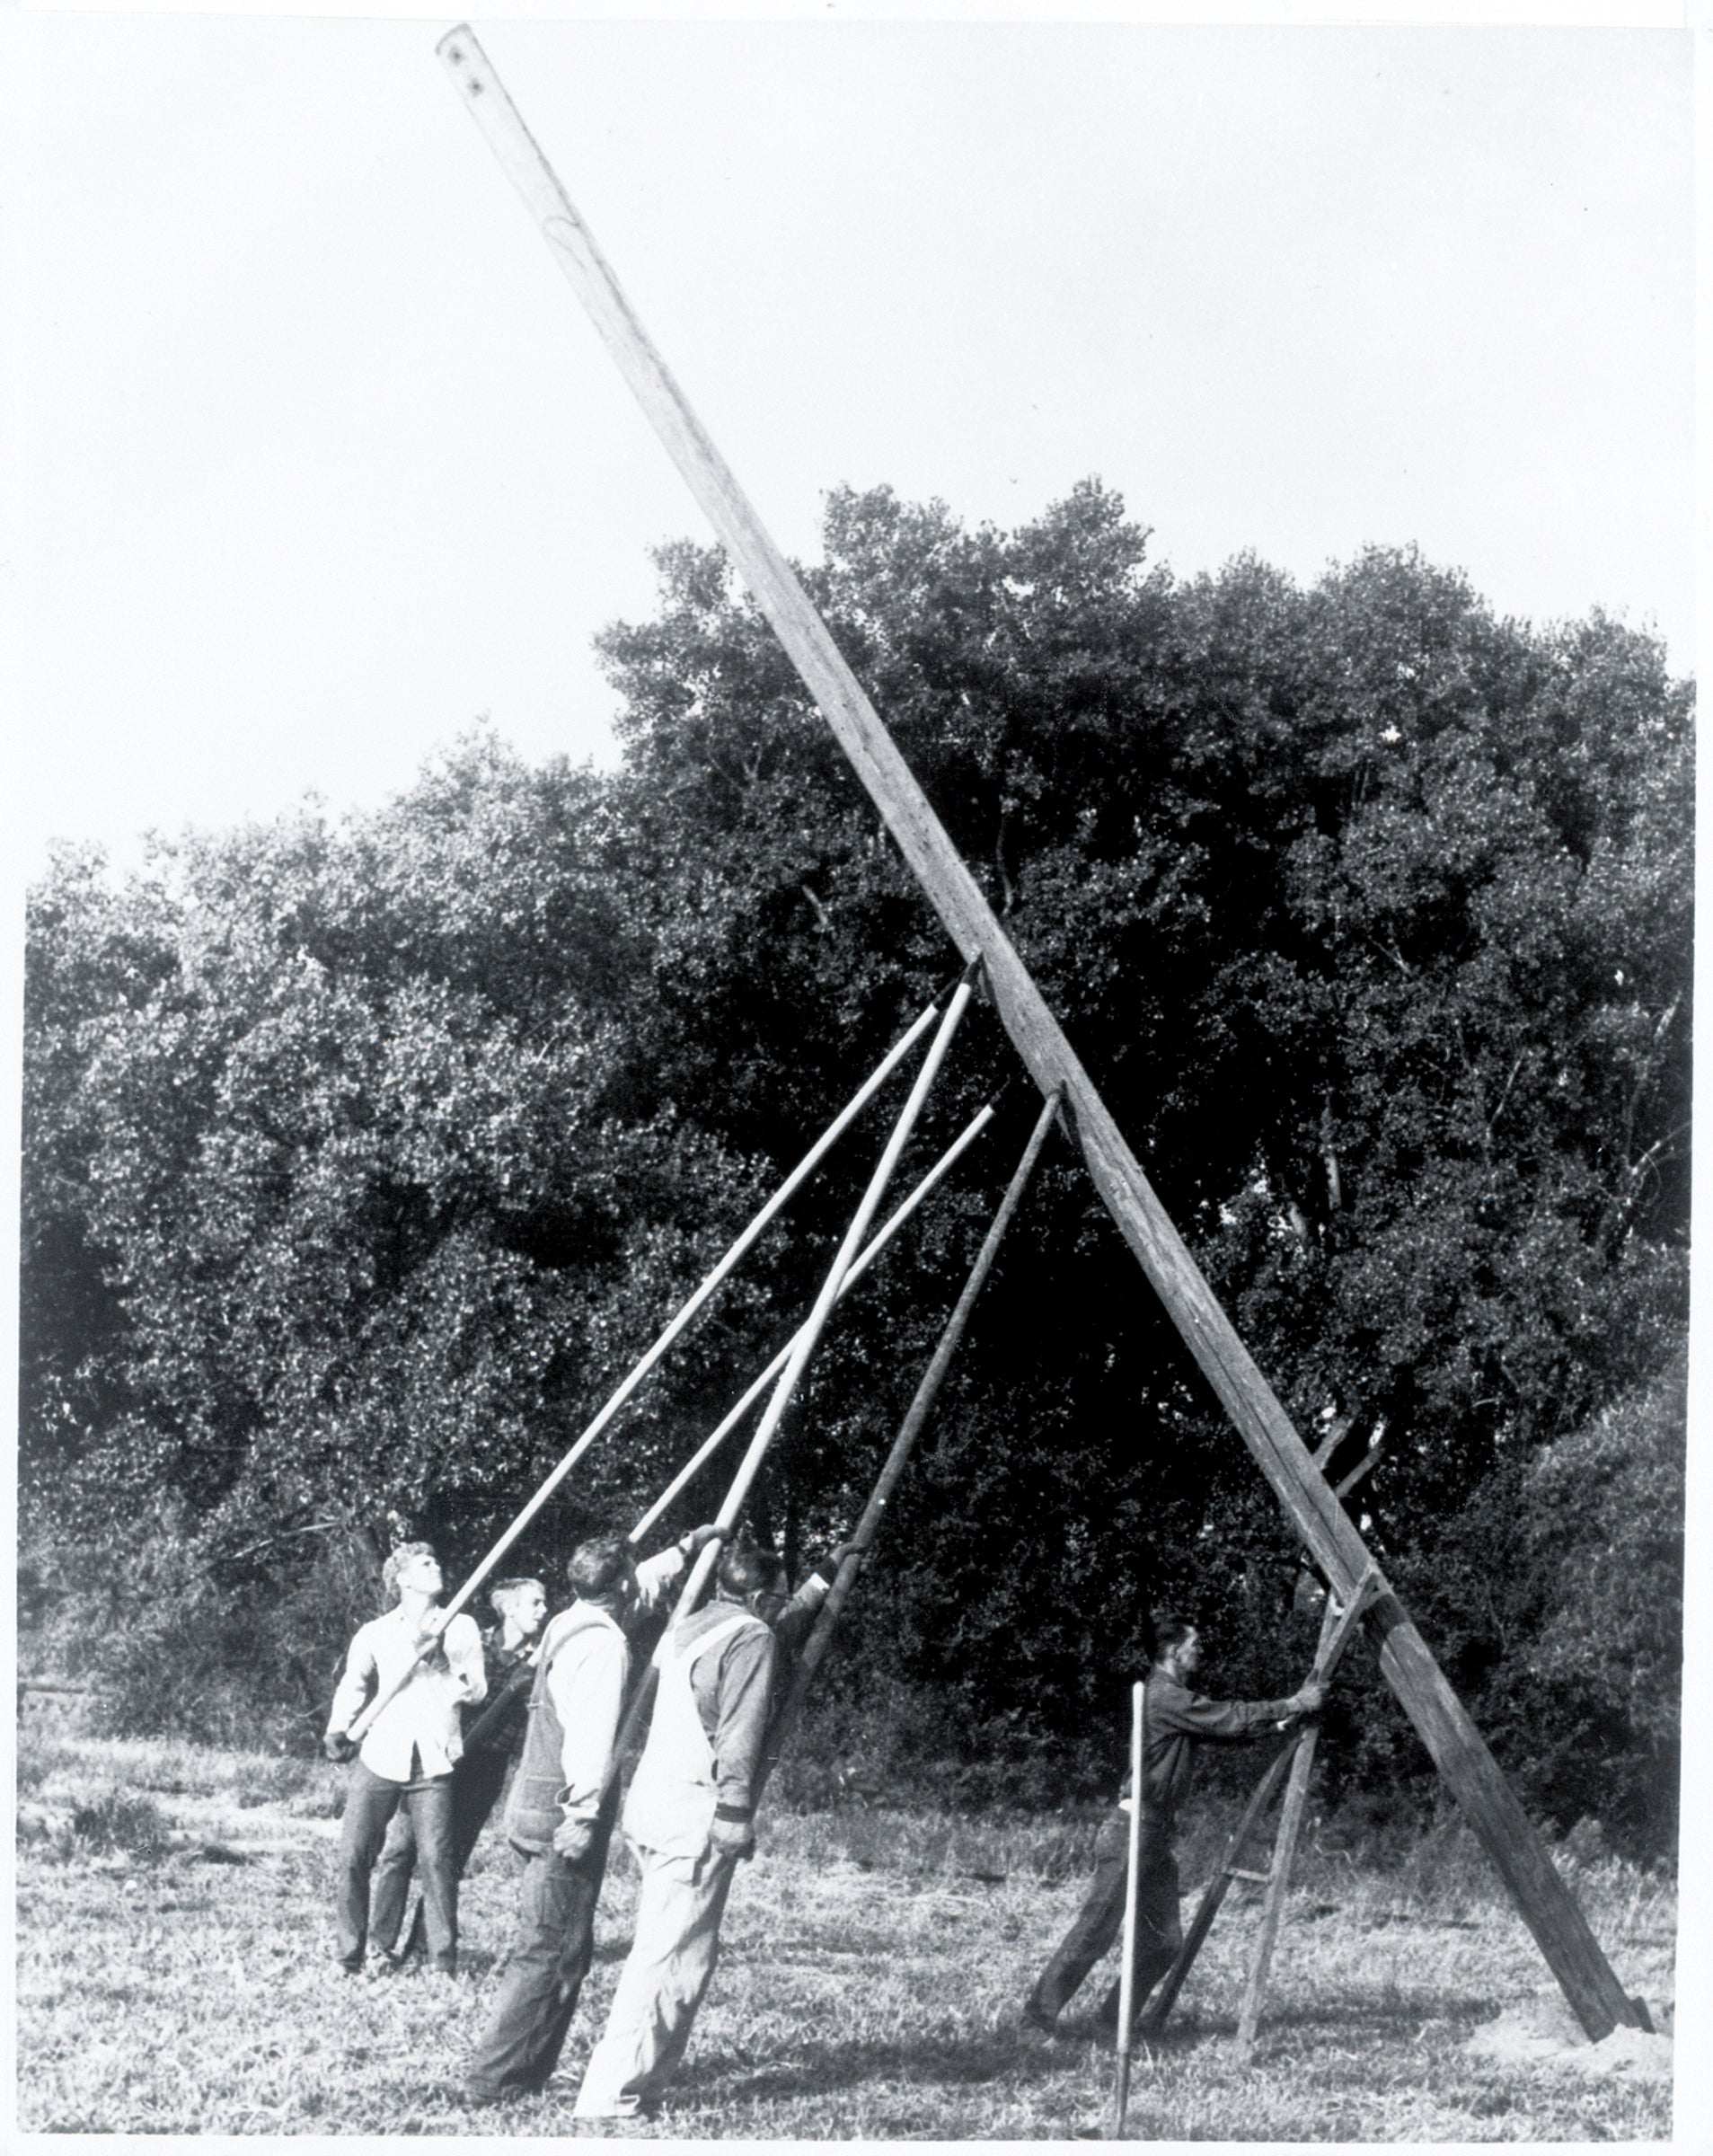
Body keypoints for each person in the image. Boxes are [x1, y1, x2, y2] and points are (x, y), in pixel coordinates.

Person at [570, 1540, 834, 2124]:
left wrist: (824, 1578)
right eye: (782, 1594)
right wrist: (735, 1815)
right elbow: (738, 1731)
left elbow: (774, 1633)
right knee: (670, 1960)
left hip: (651, 1805)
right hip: (695, 1815)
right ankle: (611, 2096)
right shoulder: (751, 1638)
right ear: (763, 1595)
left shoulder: (692, 1624)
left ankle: (637, 2085)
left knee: (667, 1948)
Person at [464, 1524, 726, 2107]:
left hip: (529, 1801)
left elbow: (637, 1588)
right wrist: (582, 1813)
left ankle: (515, 2073)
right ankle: (498, 2081)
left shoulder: (567, 1620)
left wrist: (684, 1549)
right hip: (563, 1810)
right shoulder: (605, 1644)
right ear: (620, 1584)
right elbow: (591, 1734)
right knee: (553, 1951)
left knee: (553, 1946)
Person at [1023, 1611, 1325, 2037]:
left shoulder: (1175, 1701)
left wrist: (1281, 1722)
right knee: (1096, 1931)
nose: (1199, 1651)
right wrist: (1294, 1703)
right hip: (1132, 1831)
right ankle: (1035, 2022)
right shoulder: (1163, 1696)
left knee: (1164, 1942)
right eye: (1194, 1644)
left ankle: (1113, 2023)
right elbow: (1228, 1716)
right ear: (1172, 1651)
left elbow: (1227, 1729)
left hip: (1155, 1834)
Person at [323, 1542, 488, 1975]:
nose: (437, 1567)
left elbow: (478, 1691)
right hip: (381, 1755)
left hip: (434, 1760)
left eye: (437, 1560)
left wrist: (442, 1666)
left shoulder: (462, 1627)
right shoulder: (376, 1632)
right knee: (355, 1855)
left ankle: (442, 1963)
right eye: (425, 1563)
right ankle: (349, 1955)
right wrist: (336, 1728)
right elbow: (353, 1685)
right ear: (403, 1579)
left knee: (436, 1861)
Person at [371, 1574, 549, 1965]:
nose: (543, 1610)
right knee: (401, 1849)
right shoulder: (471, 1639)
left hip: (486, 1766)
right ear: (509, 1609)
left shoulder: (540, 1660)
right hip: (438, 1755)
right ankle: (379, 1947)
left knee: (448, 1859)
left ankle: (423, 1948)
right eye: (534, 1602)